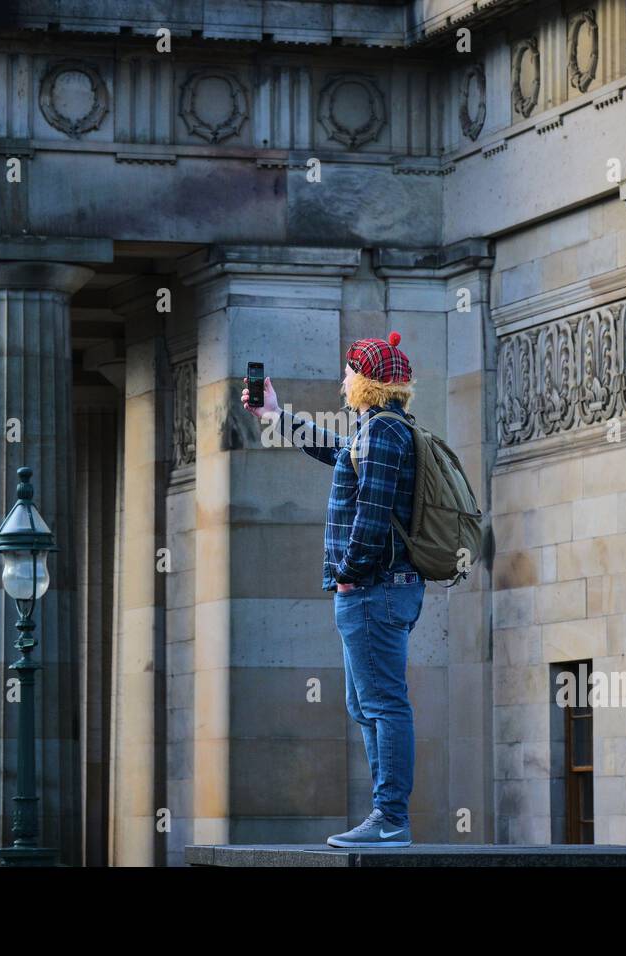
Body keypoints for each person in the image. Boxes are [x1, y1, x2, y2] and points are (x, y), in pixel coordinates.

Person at [242, 330, 424, 848]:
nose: (342, 380)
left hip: (374, 589)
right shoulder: (378, 430)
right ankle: (384, 817)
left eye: (348, 372)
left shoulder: (384, 433)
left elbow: (371, 515)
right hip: (377, 589)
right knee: (366, 705)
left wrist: (348, 573)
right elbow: (336, 450)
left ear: (364, 380)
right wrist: (276, 416)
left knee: (384, 704)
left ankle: (390, 819)